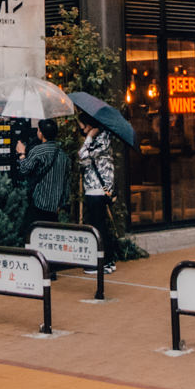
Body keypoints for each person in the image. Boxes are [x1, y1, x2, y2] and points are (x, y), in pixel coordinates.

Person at [11, 119, 69, 242]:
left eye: (38, 129)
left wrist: (21, 154)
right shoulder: (63, 155)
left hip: (39, 204)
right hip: (54, 207)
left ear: (41, 133)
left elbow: (24, 170)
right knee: (50, 239)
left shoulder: (38, 151)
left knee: (33, 237)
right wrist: (61, 204)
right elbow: (66, 183)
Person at [77, 116, 116, 276]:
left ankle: (104, 262)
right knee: (100, 226)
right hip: (96, 189)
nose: (82, 130)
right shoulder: (102, 140)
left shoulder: (100, 141)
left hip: (97, 189)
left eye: (83, 126)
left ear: (91, 126)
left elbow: (82, 156)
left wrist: (89, 137)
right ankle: (107, 260)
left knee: (98, 227)